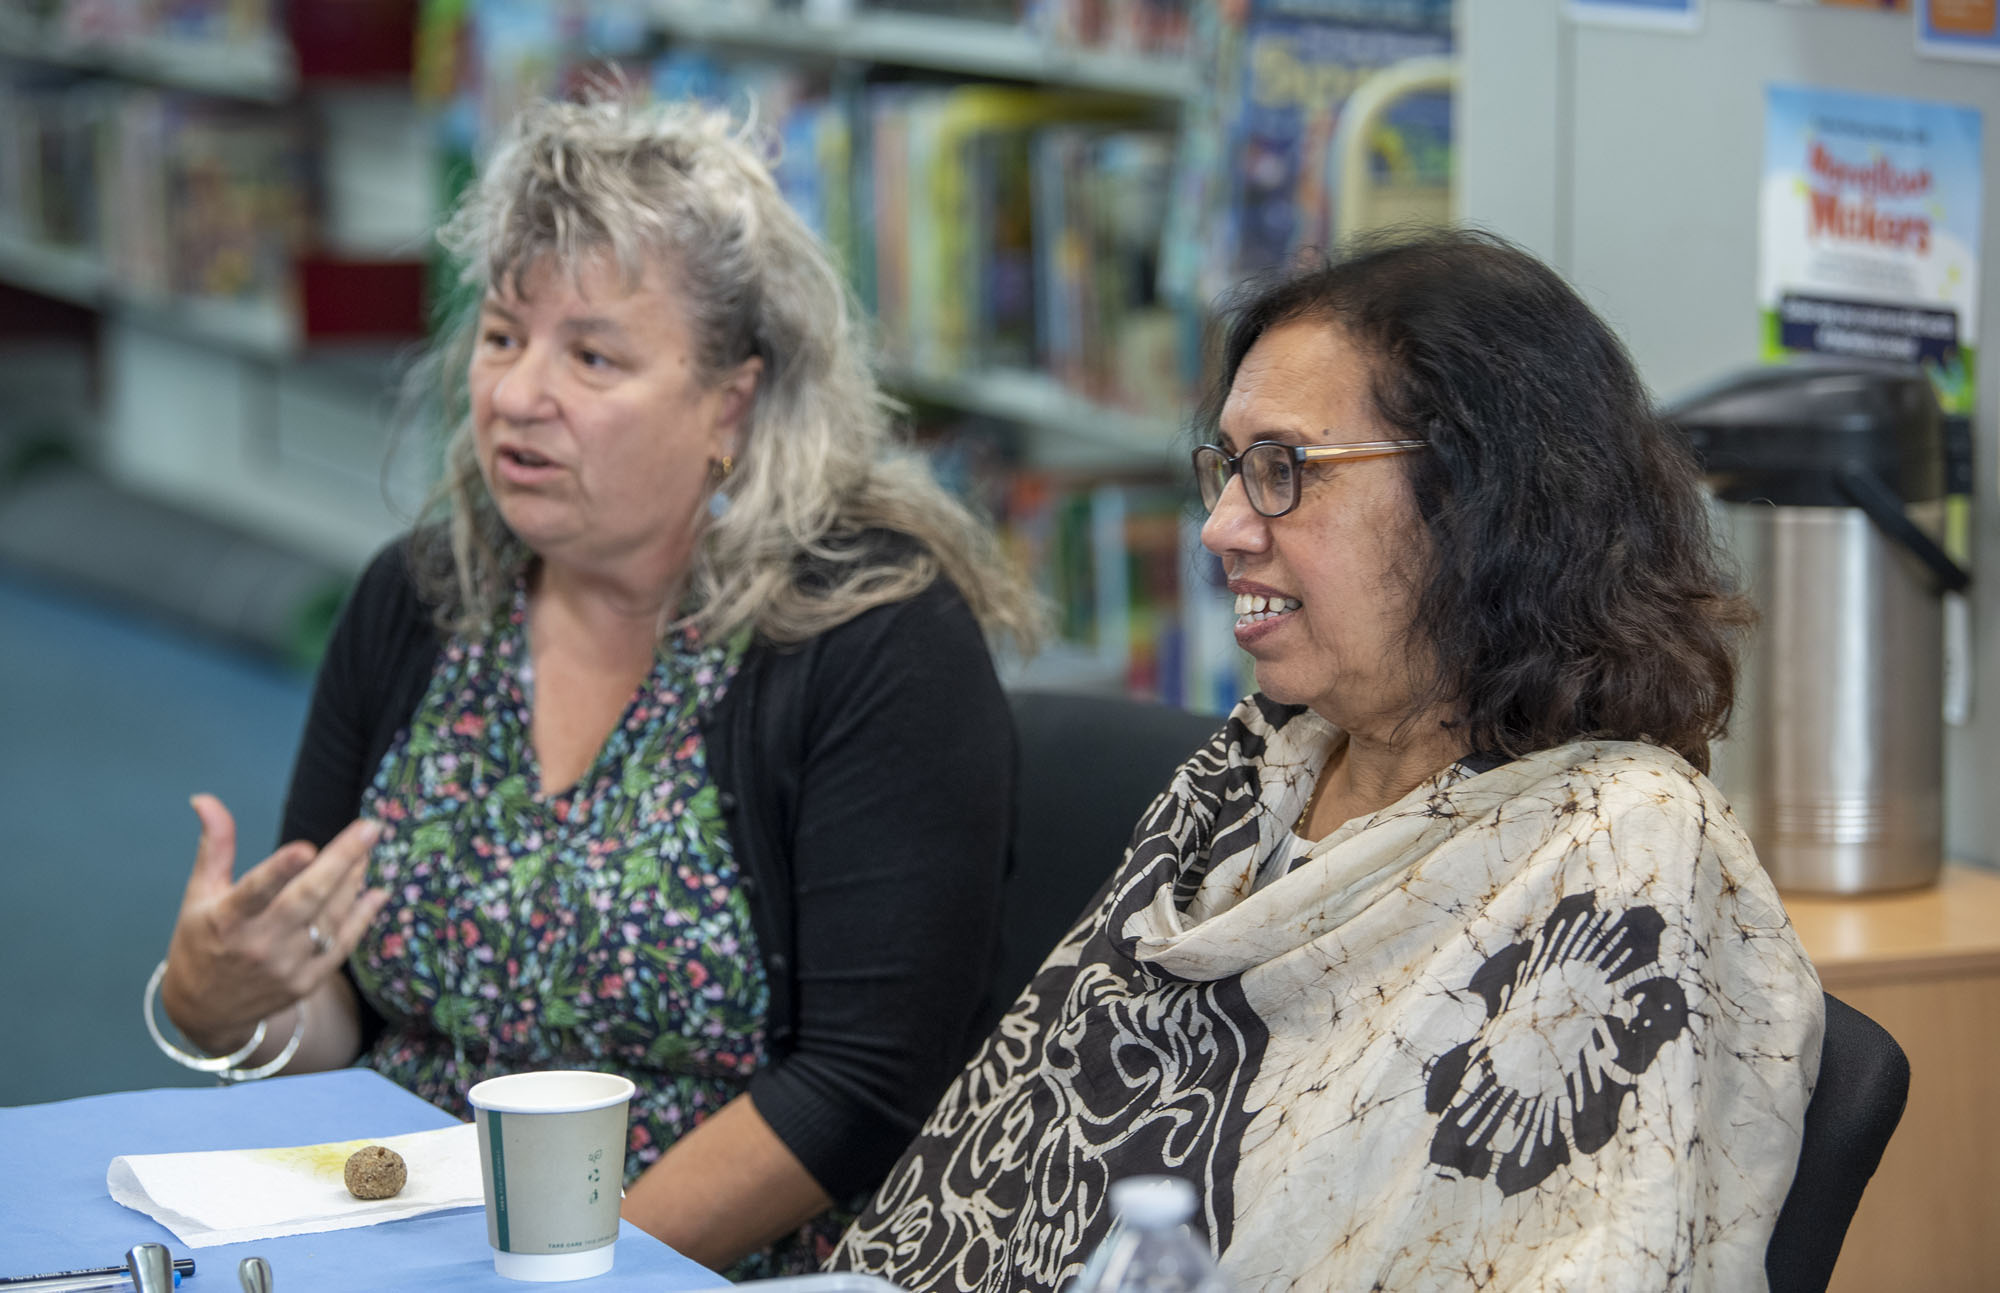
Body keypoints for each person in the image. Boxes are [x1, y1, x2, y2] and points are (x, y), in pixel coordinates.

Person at [828, 230, 1823, 1291]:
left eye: (1282, 470)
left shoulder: (1618, 845)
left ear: (1482, 496)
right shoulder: (1254, 767)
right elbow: (1019, 1163)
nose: (1220, 528)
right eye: (1227, 467)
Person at [149, 94, 1038, 1276]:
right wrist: (227, 1002)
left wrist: (573, 1262)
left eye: (593, 355)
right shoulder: (422, 598)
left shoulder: (870, 635)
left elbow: (859, 1086)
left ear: (733, 398)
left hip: (699, 1252)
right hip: (397, 1229)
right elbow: (338, 1014)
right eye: (504, 336)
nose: (518, 395)